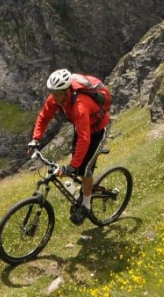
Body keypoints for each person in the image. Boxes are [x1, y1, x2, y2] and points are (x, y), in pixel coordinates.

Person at [27, 69, 111, 224]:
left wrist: (72, 166)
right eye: (53, 93)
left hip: (99, 130)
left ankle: (86, 205)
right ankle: (84, 187)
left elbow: (85, 139)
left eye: (59, 93)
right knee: (79, 168)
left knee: (84, 169)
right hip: (82, 129)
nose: (55, 97)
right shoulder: (55, 98)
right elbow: (44, 116)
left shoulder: (80, 105)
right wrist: (35, 139)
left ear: (67, 90)